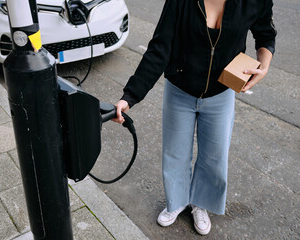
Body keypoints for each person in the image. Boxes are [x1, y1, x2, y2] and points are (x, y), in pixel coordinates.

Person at [113, 0, 276, 236]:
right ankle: (178, 201)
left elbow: (266, 34)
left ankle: (201, 203)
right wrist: (130, 96)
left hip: (222, 92)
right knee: (175, 153)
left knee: (214, 157)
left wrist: (265, 66)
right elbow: (160, 47)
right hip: (180, 89)